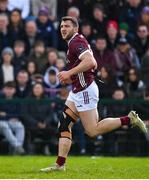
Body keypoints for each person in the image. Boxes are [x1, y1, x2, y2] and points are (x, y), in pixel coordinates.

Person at [40, 16, 147, 172]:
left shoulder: (76, 42)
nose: (63, 28)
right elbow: (89, 66)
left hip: (85, 91)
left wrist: (69, 72)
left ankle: (129, 119)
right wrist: (72, 78)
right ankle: (60, 165)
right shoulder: (75, 41)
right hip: (78, 89)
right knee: (64, 124)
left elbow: (91, 62)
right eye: (62, 26)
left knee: (92, 131)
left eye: (67, 26)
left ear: (75, 28)